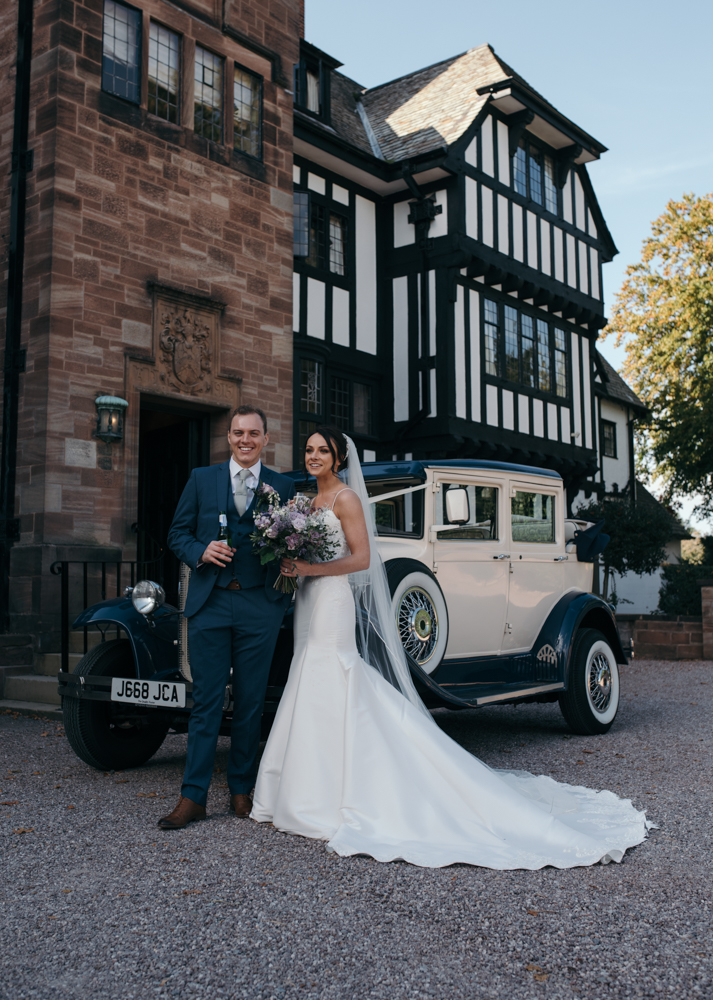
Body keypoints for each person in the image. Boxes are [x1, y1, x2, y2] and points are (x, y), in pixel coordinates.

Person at [251, 426, 651, 869]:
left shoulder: (346, 499)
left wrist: (309, 565)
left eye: (321, 450)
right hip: (309, 597)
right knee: (309, 675)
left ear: (338, 457)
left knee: (336, 673)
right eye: (308, 450)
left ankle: (340, 789)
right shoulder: (307, 503)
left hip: (332, 595)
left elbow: (364, 558)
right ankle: (306, 785)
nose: (313, 456)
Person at [159, 405, 295, 830]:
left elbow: (294, 539)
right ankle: (192, 797)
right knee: (206, 702)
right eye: (238, 432)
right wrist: (200, 551)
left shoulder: (283, 485)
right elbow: (176, 534)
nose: (245, 440)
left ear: (266, 438)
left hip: (260, 606)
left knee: (252, 702)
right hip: (211, 604)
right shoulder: (202, 479)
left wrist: (292, 560)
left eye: (254, 433)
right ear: (229, 437)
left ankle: (241, 788)